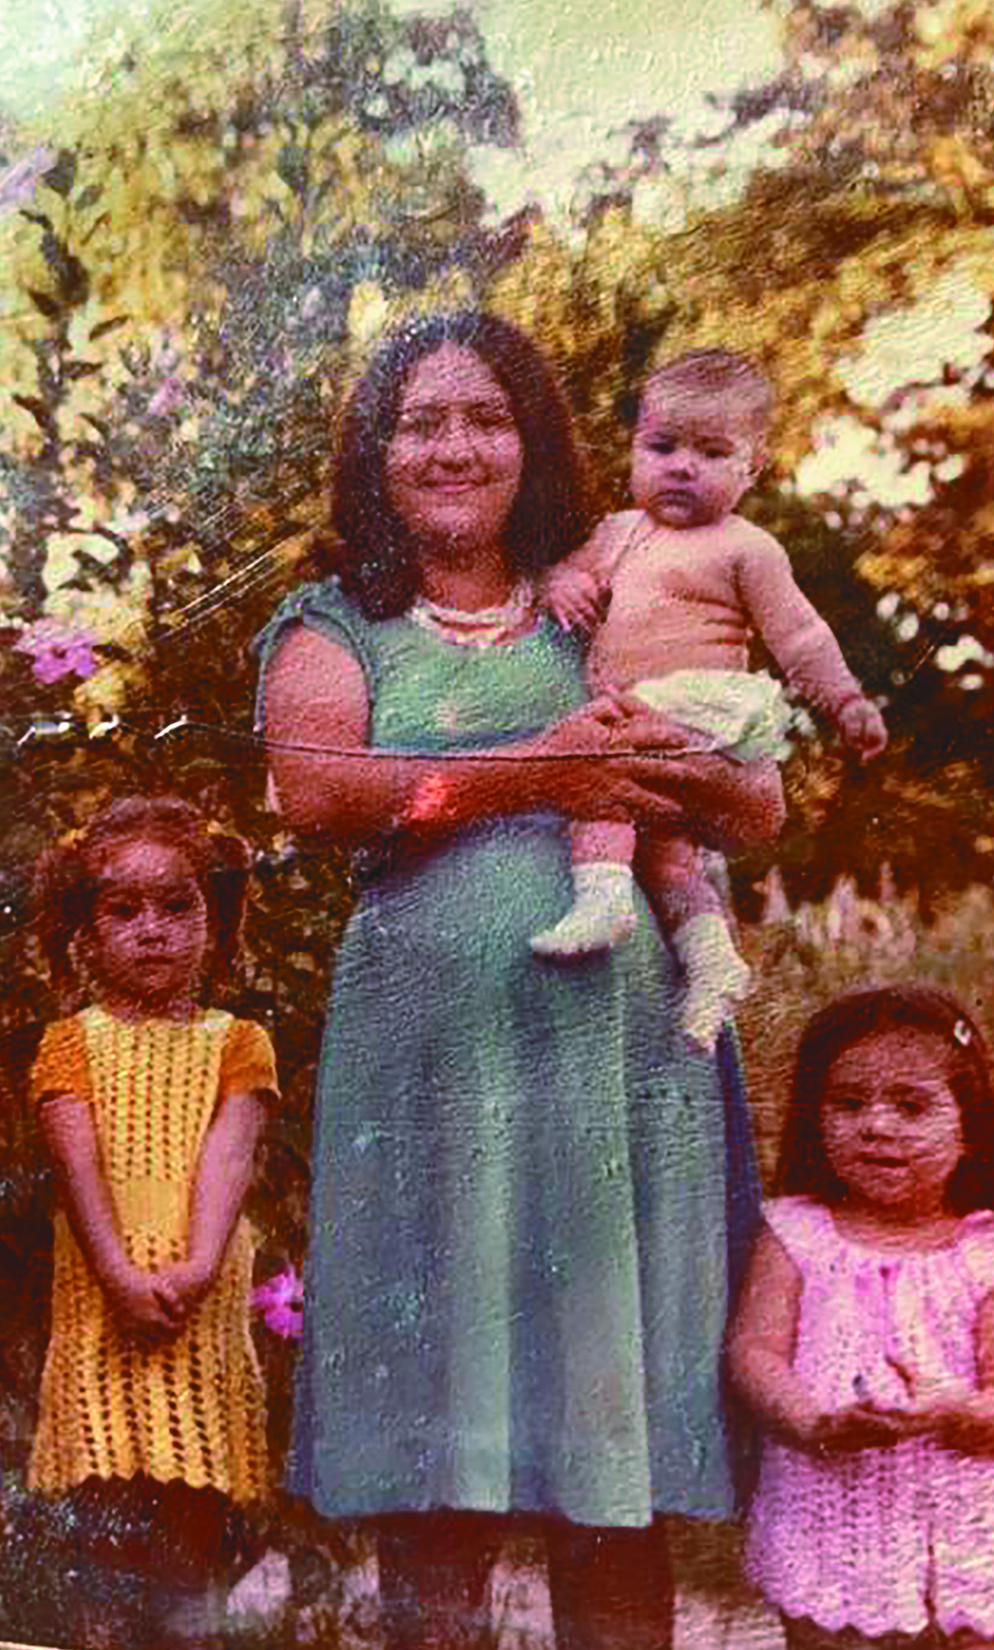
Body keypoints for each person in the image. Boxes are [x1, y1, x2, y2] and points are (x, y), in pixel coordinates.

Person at [254, 310, 774, 1650]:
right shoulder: (336, 622)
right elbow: (318, 790)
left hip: (619, 1085)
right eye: (420, 421)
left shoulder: (607, 590)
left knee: (610, 1474)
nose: (454, 447)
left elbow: (756, 805)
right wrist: (540, 770)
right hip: (433, 1085)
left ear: (533, 442)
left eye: (486, 418)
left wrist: (671, 760)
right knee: (444, 1462)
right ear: (373, 454)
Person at [535, 349, 888, 1046]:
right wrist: (562, 583)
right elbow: (563, 576)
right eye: (662, 446)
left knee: (599, 775)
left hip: (696, 706)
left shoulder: (744, 547)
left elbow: (800, 635)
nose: (682, 467)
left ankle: (602, 897)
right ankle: (712, 958)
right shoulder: (616, 533)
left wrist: (844, 701)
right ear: (635, 448)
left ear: (751, 468)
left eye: (712, 452)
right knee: (667, 856)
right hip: (646, 710)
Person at [729, 984, 994, 1650]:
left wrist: (954, 1409)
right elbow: (753, 1354)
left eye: (911, 1105)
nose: (875, 1125)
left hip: (967, 1544)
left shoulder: (993, 1253)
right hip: (827, 1527)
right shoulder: (794, 1235)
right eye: (848, 1103)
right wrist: (812, 1422)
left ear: (968, 1122)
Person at [29, 796, 278, 1642]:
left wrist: (197, 1267)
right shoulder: (72, 1043)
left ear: (215, 921)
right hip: (106, 1311)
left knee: (187, 1538)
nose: (152, 931)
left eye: (177, 907)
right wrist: (117, 1276)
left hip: (194, 1309)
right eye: (124, 910)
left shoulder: (236, 1042)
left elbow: (229, 1159)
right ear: (86, 932)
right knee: (104, 1536)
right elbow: (77, 1169)